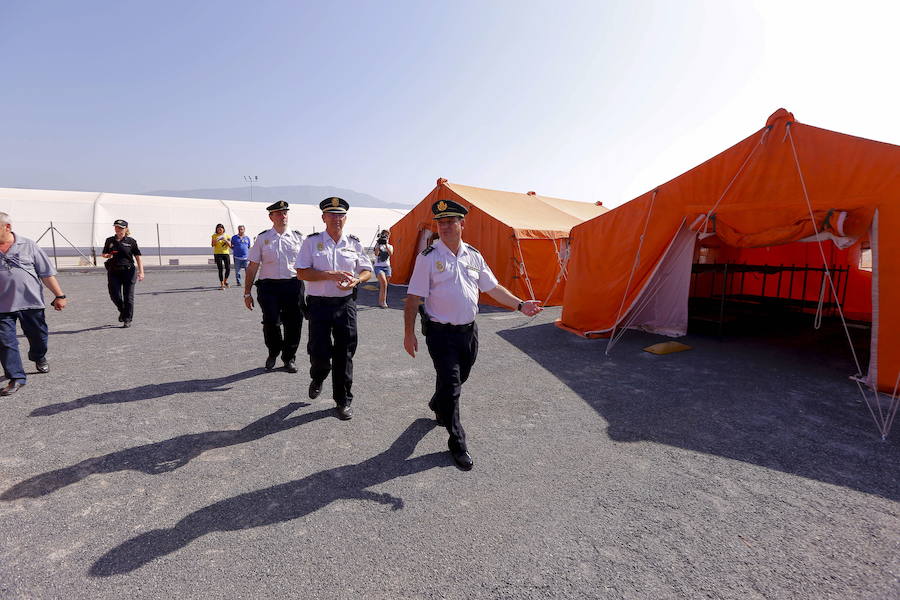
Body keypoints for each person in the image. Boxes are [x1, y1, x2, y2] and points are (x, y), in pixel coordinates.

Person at [403, 199, 542, 470]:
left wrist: (521, 304)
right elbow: (412, 299)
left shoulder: (474, 256)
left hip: (468, 332)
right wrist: (409, 334)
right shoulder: (428, 258)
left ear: (462, 224)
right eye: (440, 223)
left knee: (458, 377)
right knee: (453, 387)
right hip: (440, 334)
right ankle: (457, 443)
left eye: (450, 222)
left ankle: (437, 402)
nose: (444, 227)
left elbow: (493, 287)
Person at [296, 197, 373, 420]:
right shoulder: (311, 242)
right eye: (331, 214)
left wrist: (357, 280)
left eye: (340, 215)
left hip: (345, 304)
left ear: (345, 218)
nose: (336, 219)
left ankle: (343, 400)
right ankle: (319, 375)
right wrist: (329, 275)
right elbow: (301, 272)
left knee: (345, 353)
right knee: (319, 351)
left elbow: (367, 270)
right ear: (323, 218)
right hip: (319, 305)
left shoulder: (354, 243)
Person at [0, 212, 68, 396]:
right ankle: (16, 378)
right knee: (5, 341)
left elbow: (46, 273)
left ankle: (38, 356)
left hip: (30, 303)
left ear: (7, 227)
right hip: (2, 307)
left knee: (39, 336)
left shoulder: (28, 245)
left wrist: (59, 295)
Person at [243, 201, 305, 373]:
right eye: (278, 213)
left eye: (285, 212)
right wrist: (247, 293)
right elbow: (252, 266)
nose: (282, 216)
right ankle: (273, 350)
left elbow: (309, 264)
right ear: (271, 217)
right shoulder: (263, 238)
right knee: (271, 322)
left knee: (294, 324)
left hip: (293, 285)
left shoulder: (299, 237)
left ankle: (288, 357)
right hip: (269, 287)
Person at [102, 219, 144, 328]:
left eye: (120, 227)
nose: (117, 229)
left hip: (129, 271)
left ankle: (127, 319)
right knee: (114, 295)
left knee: (128, 296)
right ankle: (123, 311)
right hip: (113, 271)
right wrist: (108, 255)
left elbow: (138, 257)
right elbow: (104, 254)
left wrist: (141, 272)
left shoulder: (131, 241)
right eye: (116, 227)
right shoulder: (109, 240)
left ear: (125, 229)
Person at [373, 229, 393, 308]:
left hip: (387, 266)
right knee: (384, 283)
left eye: (387, 235)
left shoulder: (390, 246)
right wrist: (378, 243)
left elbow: (391, 253)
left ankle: (380, 285)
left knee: (385, 284)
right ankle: (382, 302)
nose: (386, 237)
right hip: (378, 266)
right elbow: (376, 253)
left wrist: (386, 244)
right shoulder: (378, 245)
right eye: (384, 235)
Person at [211, 224, 232, 289]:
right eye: (218, 228)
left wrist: (225, 240)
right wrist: (215, 240)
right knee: (220, 269)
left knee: (228, 268)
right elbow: (212, 245)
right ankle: (222, 284)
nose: (219, 230)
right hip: (217, 254)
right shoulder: (214, 236)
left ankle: (225, 281)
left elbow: (230, 245)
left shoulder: (227, 235)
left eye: (220, 228)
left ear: (223, 229)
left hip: (226, 253)